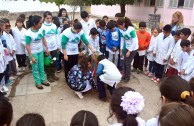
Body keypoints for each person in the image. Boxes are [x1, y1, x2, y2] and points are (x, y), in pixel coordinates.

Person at [25, 15, 50, 89]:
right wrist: (31, 57)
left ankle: (43, 80)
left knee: (41, 66)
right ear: (35, 24)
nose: (41, 25)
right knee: (35, 68)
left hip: (40, 51)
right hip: (33, 53)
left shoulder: (41, 30)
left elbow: (43, 39)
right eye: (40, 23)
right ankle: (37, 82)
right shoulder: (28, 33)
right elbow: (27, 46)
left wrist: (47, 48)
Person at [117, 17, 138, 83]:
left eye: (119, 26)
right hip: (126, 47)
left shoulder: (131, 29)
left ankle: (127, 77)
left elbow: (135, 42)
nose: (118, 27)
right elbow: (122, 40)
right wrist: (121, 50)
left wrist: (129, 51)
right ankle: (124, 75)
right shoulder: (121, 30)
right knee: (124, 62)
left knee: (128, 63)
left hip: (133, 48)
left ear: (123, 24)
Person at [41, 11, 59, 82]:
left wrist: (58, 45)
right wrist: (45, 48)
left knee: (54, 61)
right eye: (47, 18)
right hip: (46, 49)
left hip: (54, 48)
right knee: (47, 63)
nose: (49, 20)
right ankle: (49, 76)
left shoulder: (54, 26)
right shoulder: (42, 26)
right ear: (44, 18)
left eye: (50, 18)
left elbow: (57, 36)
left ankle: (53, 74)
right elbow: (42, 38)